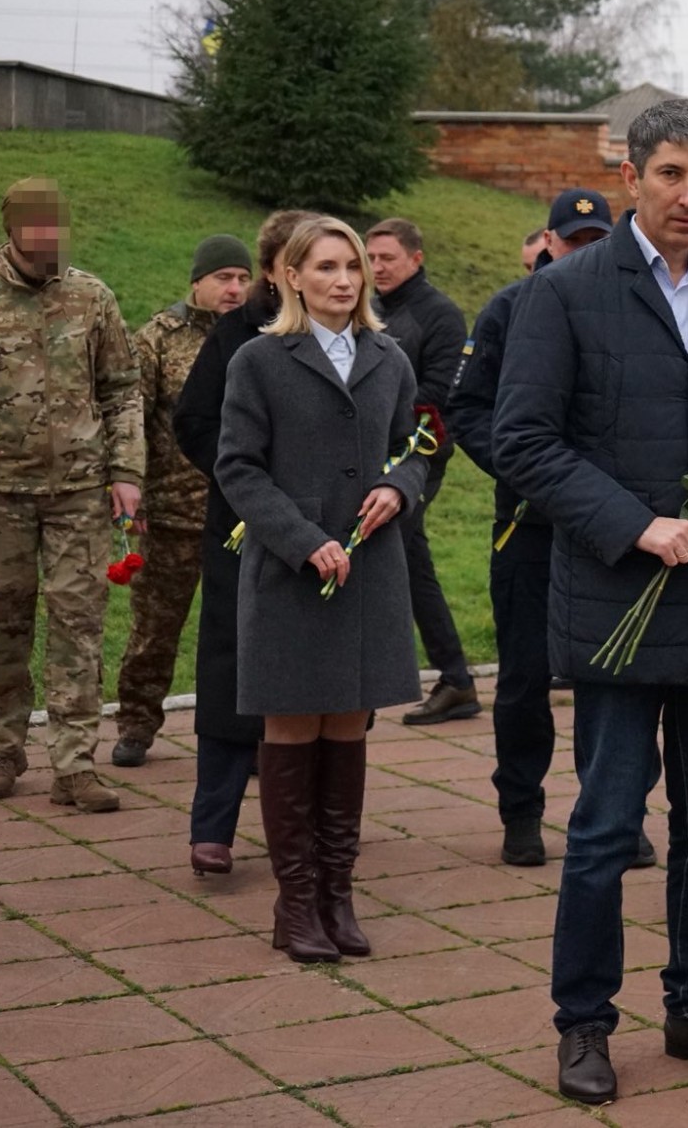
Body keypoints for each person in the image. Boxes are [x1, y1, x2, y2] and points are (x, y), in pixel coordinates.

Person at [494, 98, 688, 1104]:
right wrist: (637, 523)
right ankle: (582, 1022)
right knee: (602, 827)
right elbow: (525, 443)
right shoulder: (567, 292)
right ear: (631, 176)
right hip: (615, 597)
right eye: (670, 174)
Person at [216, 216, 429, 964]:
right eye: (327, 266)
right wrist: (305, 540)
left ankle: (338, 895)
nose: (344, 279)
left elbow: (415, 449)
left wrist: (401, 488)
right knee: (293, 730)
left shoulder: (390, 357)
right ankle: (295, 900)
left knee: (347, 729)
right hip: (290, 573)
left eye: (353, 267)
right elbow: (238, 468)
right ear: (291, 276)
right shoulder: (259, 360)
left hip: (369, 570)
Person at [446, 188, 654, 872]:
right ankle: (522, 810)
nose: (585, 251)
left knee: (618, 675)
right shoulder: (510, 307)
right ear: (547, 241)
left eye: (599, 240)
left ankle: (620, 809)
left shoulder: (631, 305)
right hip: (531, 526)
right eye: (574, 241)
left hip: (614, 526)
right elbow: (470, 408)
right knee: (526, 678)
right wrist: (524, 470)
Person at [0, 179, 145, 812]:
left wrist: (127, 471)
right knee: (3, 624)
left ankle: (75, 765)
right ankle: (1, 750)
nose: (51, 238)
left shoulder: (91, 297)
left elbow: (123, 390)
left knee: (79, 626)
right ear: (15, 230)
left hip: (80, 493)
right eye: (39, 228)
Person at [174, 210, 315, 875]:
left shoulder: (340, 335)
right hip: (243, 529)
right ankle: (215, 826)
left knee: (316, 676)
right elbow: (194, 421)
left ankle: (310, 819)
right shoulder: (234, 336)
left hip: (323, 532)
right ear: (270, 270)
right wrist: (248, 477)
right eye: (293, 260)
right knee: (232, 668)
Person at [111, 235, 252, 768]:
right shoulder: (157, 339)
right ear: (196, 282)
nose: (234, 288)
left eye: (242, 277)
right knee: (153, 632)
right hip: (169, 514)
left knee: (240, 634)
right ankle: (136, 724)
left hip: (238, 517)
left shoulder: (260, 334)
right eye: (223, 278)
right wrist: (130, 487)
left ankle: (245, 732)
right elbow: (132, 418)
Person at [364, 217, 475, 725]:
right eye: (371, 257)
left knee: (399, 556)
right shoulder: (370, 310)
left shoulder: (442, 316)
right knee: (406, 561)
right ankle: (453, 680)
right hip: (372, 454)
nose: (376, 266)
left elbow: (439, 393)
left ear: (416, 258)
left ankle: (451, 679)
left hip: (418, 456)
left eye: (387, 257)